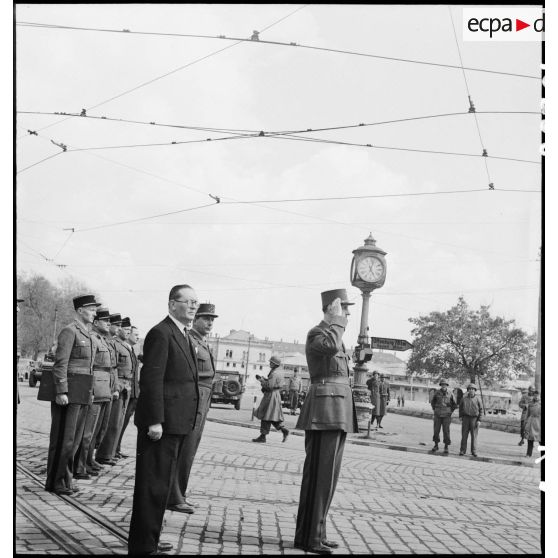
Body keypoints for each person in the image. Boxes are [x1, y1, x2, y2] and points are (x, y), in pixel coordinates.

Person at [128, 284, 200, 555]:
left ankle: (150, 541)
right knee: (152, 486)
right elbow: (152, 379)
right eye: (187, 301)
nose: (193, 306)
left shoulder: (182, 333)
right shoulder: (161, 333)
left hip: (177, 423)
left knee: (162, 486)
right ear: (172, 304)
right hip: (162, 425)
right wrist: (154, 420)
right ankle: (143, 547)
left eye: (196, 301)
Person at [294, 289, 358, 555]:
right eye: (344, 307)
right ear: (332, 308)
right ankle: (311, 537)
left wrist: (337, 323)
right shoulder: (319, 333)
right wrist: (336, 320)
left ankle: (315, 532)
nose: (348, 313)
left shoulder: (335, 334)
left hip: (335, 411)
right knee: (320, 477)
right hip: (325, 412)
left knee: (327, 477)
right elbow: (329, 348)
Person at [41, 294, 100, 495]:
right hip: (69, 394)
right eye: (91, 309)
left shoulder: (87, 333)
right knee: (63, 439)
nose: (94, 313)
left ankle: (65, 479)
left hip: (82, 393)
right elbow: (61, 364)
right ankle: (56, 481)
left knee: (74, 440)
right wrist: (61, 391)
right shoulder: (69, 331)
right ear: (80, 310)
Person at [166, 303, 218, 513]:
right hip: (193, 397)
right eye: (206, 318)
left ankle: (179, 494)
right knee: (185, 449)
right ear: (195, 319)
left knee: (190, 448)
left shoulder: (202, 342)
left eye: (212, 319)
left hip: (203, 398)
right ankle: (174, 496)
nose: (210, 323)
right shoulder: (189, 340)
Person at [74, 308, 114, 478]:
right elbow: (90, 365)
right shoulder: (92, 338)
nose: (109, 324)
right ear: (96, 323)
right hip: (95, 388)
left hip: (104, 388)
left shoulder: (102, 340)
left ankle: (88, 461)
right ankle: (79, 466)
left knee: (96, 431)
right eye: (106, 321)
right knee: (87, 431)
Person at [96, 317, 134, 464]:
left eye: (124, 328)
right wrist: (116, 387)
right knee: (111, 422)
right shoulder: (115, 344)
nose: (122, 330)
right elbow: (114, 368)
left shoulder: (122, 345)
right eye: (123, 328)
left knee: (117, 423)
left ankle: (110, 453)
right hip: (118, 385)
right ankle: (104, 454)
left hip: (126, 385)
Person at [115, 325, 141, 459]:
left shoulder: (132, 350)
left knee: (123, 424)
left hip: (134, 393)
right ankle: (113, 449)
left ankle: (116, 449)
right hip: (126, 391)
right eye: (135, 334)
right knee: (119, 422)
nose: (137, 337)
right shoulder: (123, 348)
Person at [252, 356, 290, 443]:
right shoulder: (279, 371)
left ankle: (263, 436)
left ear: (274, 364)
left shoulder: (274, 373)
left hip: (270, 395)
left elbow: (269, 386)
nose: (270, 364)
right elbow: (272, 383)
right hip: (275, 395)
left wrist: (261, 380)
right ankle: (283, 430)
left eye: (271, 362)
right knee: (270, 416)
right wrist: (264, 379)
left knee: (266, 415)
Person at [430, 379, 457, 454]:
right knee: (436, 430)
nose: (443, 386)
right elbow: (433, 402)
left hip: (447, 416)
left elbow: (454, 405)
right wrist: (435, 410)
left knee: (446, 431)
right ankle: (436, 445)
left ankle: (446, 446)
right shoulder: (436, 393)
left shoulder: (450, 394)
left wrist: (450, 411)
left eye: (445, 384)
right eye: (442, 384)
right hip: (437, 415)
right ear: (441, 385)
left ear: (447, 385)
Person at [459, 384, 483, 457]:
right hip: (465, 418)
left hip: (474, 419)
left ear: (475, 390)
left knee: (474, 436)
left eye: (473, 389)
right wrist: (460, 416)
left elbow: (481, 410)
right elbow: (460, 408)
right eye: (470, 389)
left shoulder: (478, 399)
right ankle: (462, 450)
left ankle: (474, 451)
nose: (471, 390)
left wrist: (479, 420)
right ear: (468, 390)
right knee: (464, 435)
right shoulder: (464, 398)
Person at [525, 390, 541, 457]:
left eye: (537, 395)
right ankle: (528, 454)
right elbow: (527, 414)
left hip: (539, 423)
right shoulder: (530, 404)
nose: (536, 397)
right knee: (530, 439)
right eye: (535, 395)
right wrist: (526, 422)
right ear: (533, 396)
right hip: (531, 423)